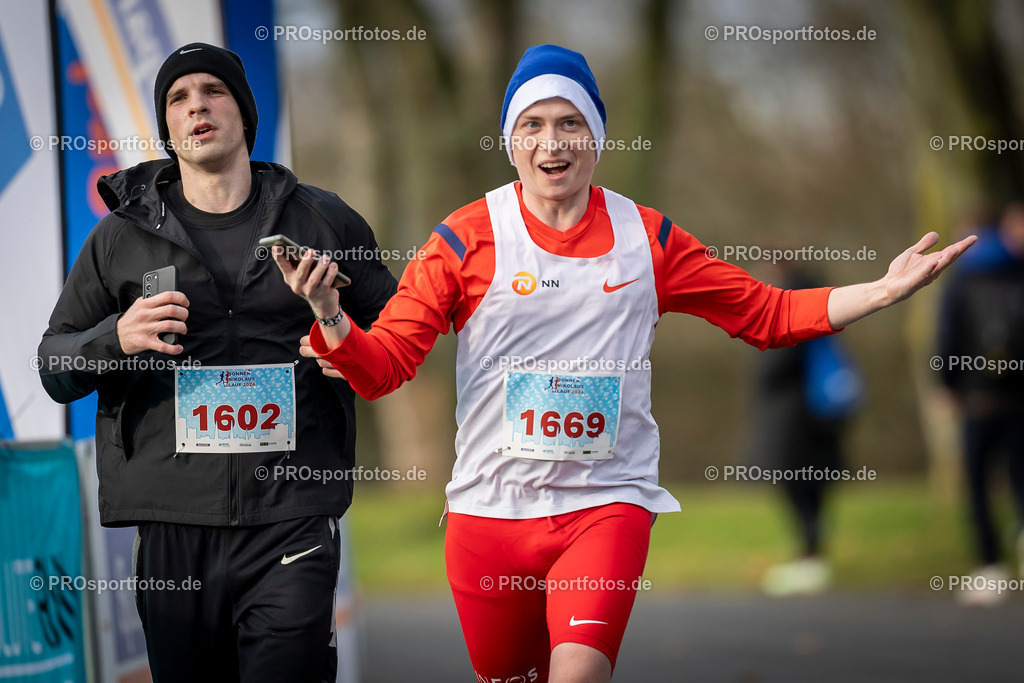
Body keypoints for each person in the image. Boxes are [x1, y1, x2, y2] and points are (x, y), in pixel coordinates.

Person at [275, 45, 974, 683]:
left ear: (597, 138)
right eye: (534, 125)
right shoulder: (463, 237)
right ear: (511, 141)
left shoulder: (649, 238)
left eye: (571, 123)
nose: (553, 142)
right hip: (489, 515)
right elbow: (388, 363)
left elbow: (765, 313)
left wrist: (881, 290)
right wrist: (334, 319)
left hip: (605, 504)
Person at [38, 43, 397, 681]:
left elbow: (396, 340)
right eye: (178, 98)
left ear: (243, 114)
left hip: (292, 510)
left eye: (213, 91)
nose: (196, 105)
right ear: (168, 129)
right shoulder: (118, 237)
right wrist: (116, 339)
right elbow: (53, 366)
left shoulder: (323, 220)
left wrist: (334, 323)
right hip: (174, 522)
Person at [750, 264, 862, 597]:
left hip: (796, 422)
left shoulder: (786, 309)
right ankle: (811, 556)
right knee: (813, 488)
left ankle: (810, 558)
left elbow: (772, 369)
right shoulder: (820, 306)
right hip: (821, 417)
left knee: (798, 487)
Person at [937, 203, 1024, 606]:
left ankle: (991, 568)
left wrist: (946, 385)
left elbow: (948, 334)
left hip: (979, 397)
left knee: (978, 484)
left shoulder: (964, 276)